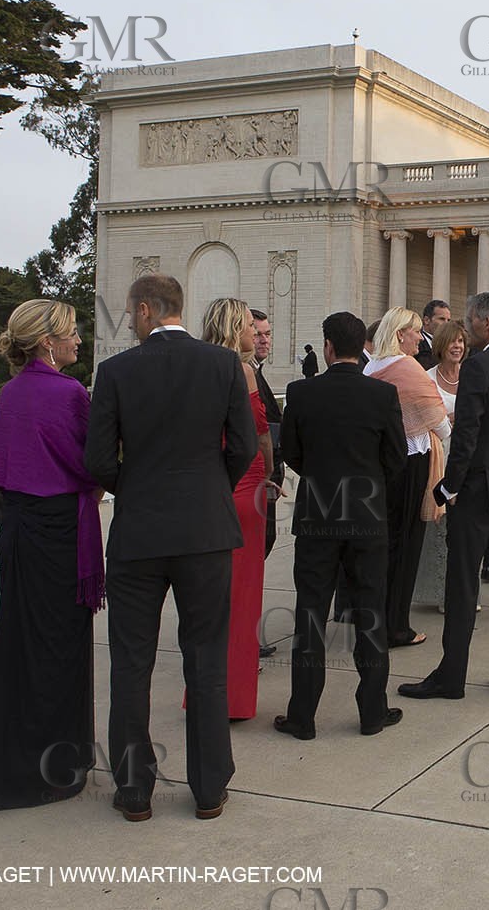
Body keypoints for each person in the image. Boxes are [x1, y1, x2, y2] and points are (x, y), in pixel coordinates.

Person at [84, 274, 256, 822]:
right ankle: (209, 788)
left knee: (131, 663)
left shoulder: (114, 372)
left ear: (143, 310)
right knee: (205, 659)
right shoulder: (223, 365)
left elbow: (96, 461)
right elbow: (245, 446)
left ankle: (134, 791)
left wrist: (132, 488)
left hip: (138, 532)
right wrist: (210, 489)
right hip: (205, 530)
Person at [0, 299, 98, 822]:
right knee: (59, 651)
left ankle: (24, 763)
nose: (78, 340)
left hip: (19, 535)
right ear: (46, 343)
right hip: (60, 537)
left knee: (21, 646)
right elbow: (92, 463)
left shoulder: (13, 393)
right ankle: (55, 767)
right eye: (71, 333)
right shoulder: (68, 393)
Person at [399, 291, 489, 701]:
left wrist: (447, 487)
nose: (466, 326)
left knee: (462, 585)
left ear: (487, 323)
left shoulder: (480, 366)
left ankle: (451, 677)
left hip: (478, 490)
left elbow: (467, 434)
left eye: (470, 319)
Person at [275, 312, 406, 740]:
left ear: (328, 347)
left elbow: (291, 453)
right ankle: (372, 711)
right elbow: (395, 458)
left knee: (310, 615)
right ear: (361, 346)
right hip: (367, 516)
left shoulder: (301, 392)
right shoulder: (382, 396)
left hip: (318, 514)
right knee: (371, 614)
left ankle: (303, 716)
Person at [197, 300, 272, 722]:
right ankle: (234, 698)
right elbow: (257, 433)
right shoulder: (239, 370)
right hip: (245, 485)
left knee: (213, 595)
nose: (254, 332)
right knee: (243, 595)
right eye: (248, 325)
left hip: (211, 484)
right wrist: (272, 471)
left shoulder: (196, 366)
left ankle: (207, 689)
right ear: (232, 328)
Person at [365, 307, 452, 649]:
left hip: (381, 463)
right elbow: (440, 423)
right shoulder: (407, 368)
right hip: (412, 462)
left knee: (385, 546)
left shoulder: (372, 367)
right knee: (406, 546)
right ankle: (396, 626)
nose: (420, 337)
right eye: (415, 331)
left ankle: (379, 621)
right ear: (401, 334)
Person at [414, 320, 468, 610]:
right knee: (439, 524)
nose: (457, 346)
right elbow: (421, 417)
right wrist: (449, 422)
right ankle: (439, 591)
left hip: (465, 457)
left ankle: (461, 592)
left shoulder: (472, 375)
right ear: (441, 346)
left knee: (463, 527)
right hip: (438, 456)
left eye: (461, 341)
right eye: (452, 341)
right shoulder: (427, 378)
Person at [250, 309, 285, 559]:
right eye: (258, 335)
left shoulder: (257, 372)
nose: (264, 340)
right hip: (255, 483)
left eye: (268, 334)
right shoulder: (245, 374)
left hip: (266, 483)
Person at [415, 299, 450, 370]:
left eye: (448, 320)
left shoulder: (452, 345)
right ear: (426, 320)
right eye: (442, 319)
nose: (447, 324)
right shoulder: (415, 345)